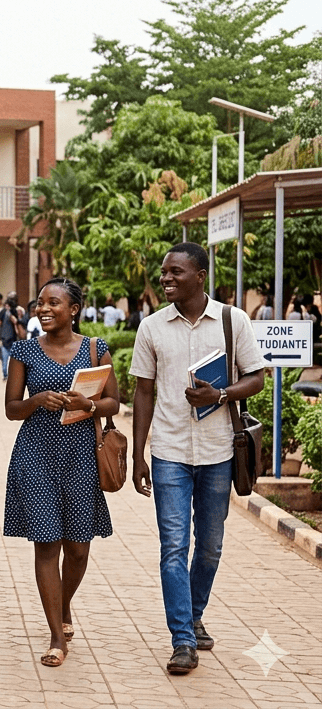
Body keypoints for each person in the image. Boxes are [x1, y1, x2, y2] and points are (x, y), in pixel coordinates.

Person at [130, 242, 266, 675]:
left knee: (209, 547)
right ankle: (182, 639)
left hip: (218, 450)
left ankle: (194, 613)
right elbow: (143, 391)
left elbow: (257, 378)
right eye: (164, 272)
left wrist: (220, 394)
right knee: (174, 546)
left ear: (200, 276)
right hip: (169, 450)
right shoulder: (151, 327)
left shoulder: (233, 321)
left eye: (176, 272)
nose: (166, 278)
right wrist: (138, 454)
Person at [3, 277, 121, 668]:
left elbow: (113, 403)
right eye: (40, 303)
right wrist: (36, 400)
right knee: (47, 545)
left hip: (81, 457)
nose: (44, 309)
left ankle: (64, 603)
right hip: (35, 454)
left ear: (73, 310)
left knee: (78, 548)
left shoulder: (94, 348)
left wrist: (88, 404)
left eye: (54, 303)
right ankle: (57, 635)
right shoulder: (23, 350)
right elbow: (11, 409)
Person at [0, 297, 21, 380]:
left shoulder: (11, 312)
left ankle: (7, 374)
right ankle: (6, 374)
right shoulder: (6, 312)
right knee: (7, 360)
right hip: (8, 339)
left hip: (9, 339)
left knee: (8, 359)